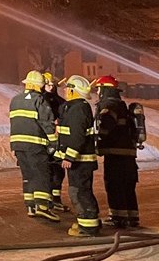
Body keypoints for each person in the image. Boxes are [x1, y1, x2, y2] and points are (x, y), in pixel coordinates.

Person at [9, 70, 60, 222]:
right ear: (39, 86)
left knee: (28, 176)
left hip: (18, 145)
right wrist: (54, 143)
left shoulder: (15, 100)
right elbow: (47, 123)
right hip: (35, 145)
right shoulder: (39, 100)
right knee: (41, 174)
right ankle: (43, 207)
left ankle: (30, 205)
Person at [55, 75, 101, 237]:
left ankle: (88, 226)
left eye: (68, 88)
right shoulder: (74, 107)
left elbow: (77, 136)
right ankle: (86, 220)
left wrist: (69, 157)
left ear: (74, 90)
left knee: (79, 191)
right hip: (79, 161)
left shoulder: (78, 108)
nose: (66, 90)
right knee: (80, 190)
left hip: (80, 161)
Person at [94, 75, 140, 229]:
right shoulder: (121, 105)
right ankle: (132, 218)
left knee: (115, 185)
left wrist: (98, 139)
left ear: (105, 89)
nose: (98, 91)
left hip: (115, 154)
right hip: (128, 154)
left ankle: (118, 218)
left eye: (99, 88)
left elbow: (106, 125)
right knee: (128, 186)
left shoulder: (109, 105)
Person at [41, 71, 67, 213]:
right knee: (48, 171)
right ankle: (48, 200)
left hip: (57, 142)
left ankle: (55, 199)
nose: (51, 87)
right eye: (48, 84)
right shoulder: (40, 101)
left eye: (52, 84)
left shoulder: (60, 102)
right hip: (45, 142)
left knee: (57, 171)